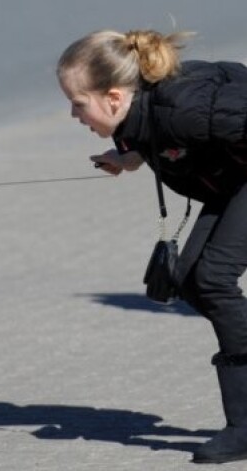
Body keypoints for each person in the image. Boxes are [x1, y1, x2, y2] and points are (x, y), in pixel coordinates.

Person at [57, 29, 247, 464]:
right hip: (232, 181)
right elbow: (160, 135)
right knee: (194, 282)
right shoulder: (139, 116)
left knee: (213, 278)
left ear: (113, 97)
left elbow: (206, 121)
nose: (72, 113)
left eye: (78, 103)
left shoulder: (183, 107)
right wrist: (131, 158)